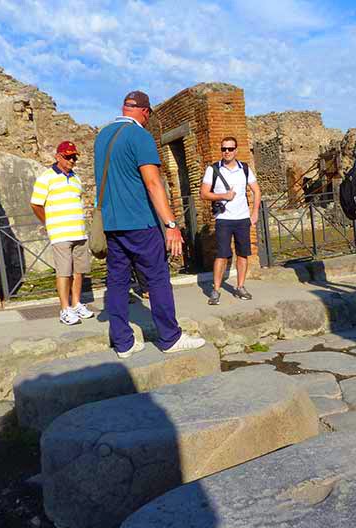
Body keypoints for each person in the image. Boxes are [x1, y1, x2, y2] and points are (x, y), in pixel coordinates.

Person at [94, 90, 205, 358]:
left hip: (111, 224)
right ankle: (170, 337)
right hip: (140, 222)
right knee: (157, 279)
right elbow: (153, 183)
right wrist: (171, 224)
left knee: (118, 282)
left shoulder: (102, 136)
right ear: (145, 112)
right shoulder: (139, 135)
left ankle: (123, 343)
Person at [30, 141, 95, 325]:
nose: (72, 160)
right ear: (58, 156)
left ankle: (76, 304)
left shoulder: (76, 178)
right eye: (68, 156)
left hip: (79, 232)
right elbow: (35, 204)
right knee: (64, 272)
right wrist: (48, 223)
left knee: (79, 271)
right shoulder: (46, 178)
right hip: (60, 234)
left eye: (74, 157)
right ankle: (64, 309)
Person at [200, 136, 262, 305]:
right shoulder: (213, 170)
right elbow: (204, 193)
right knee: (222, 255)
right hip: (224, 220)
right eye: (223, 149)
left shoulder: (245, 169)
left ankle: (240, 286)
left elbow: (257, 190)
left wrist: (254, 212)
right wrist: (223, 195)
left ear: (236, 150)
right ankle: (216, 290)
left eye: (230, 149)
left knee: (243, 254)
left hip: (242, 219)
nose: (226, 152)